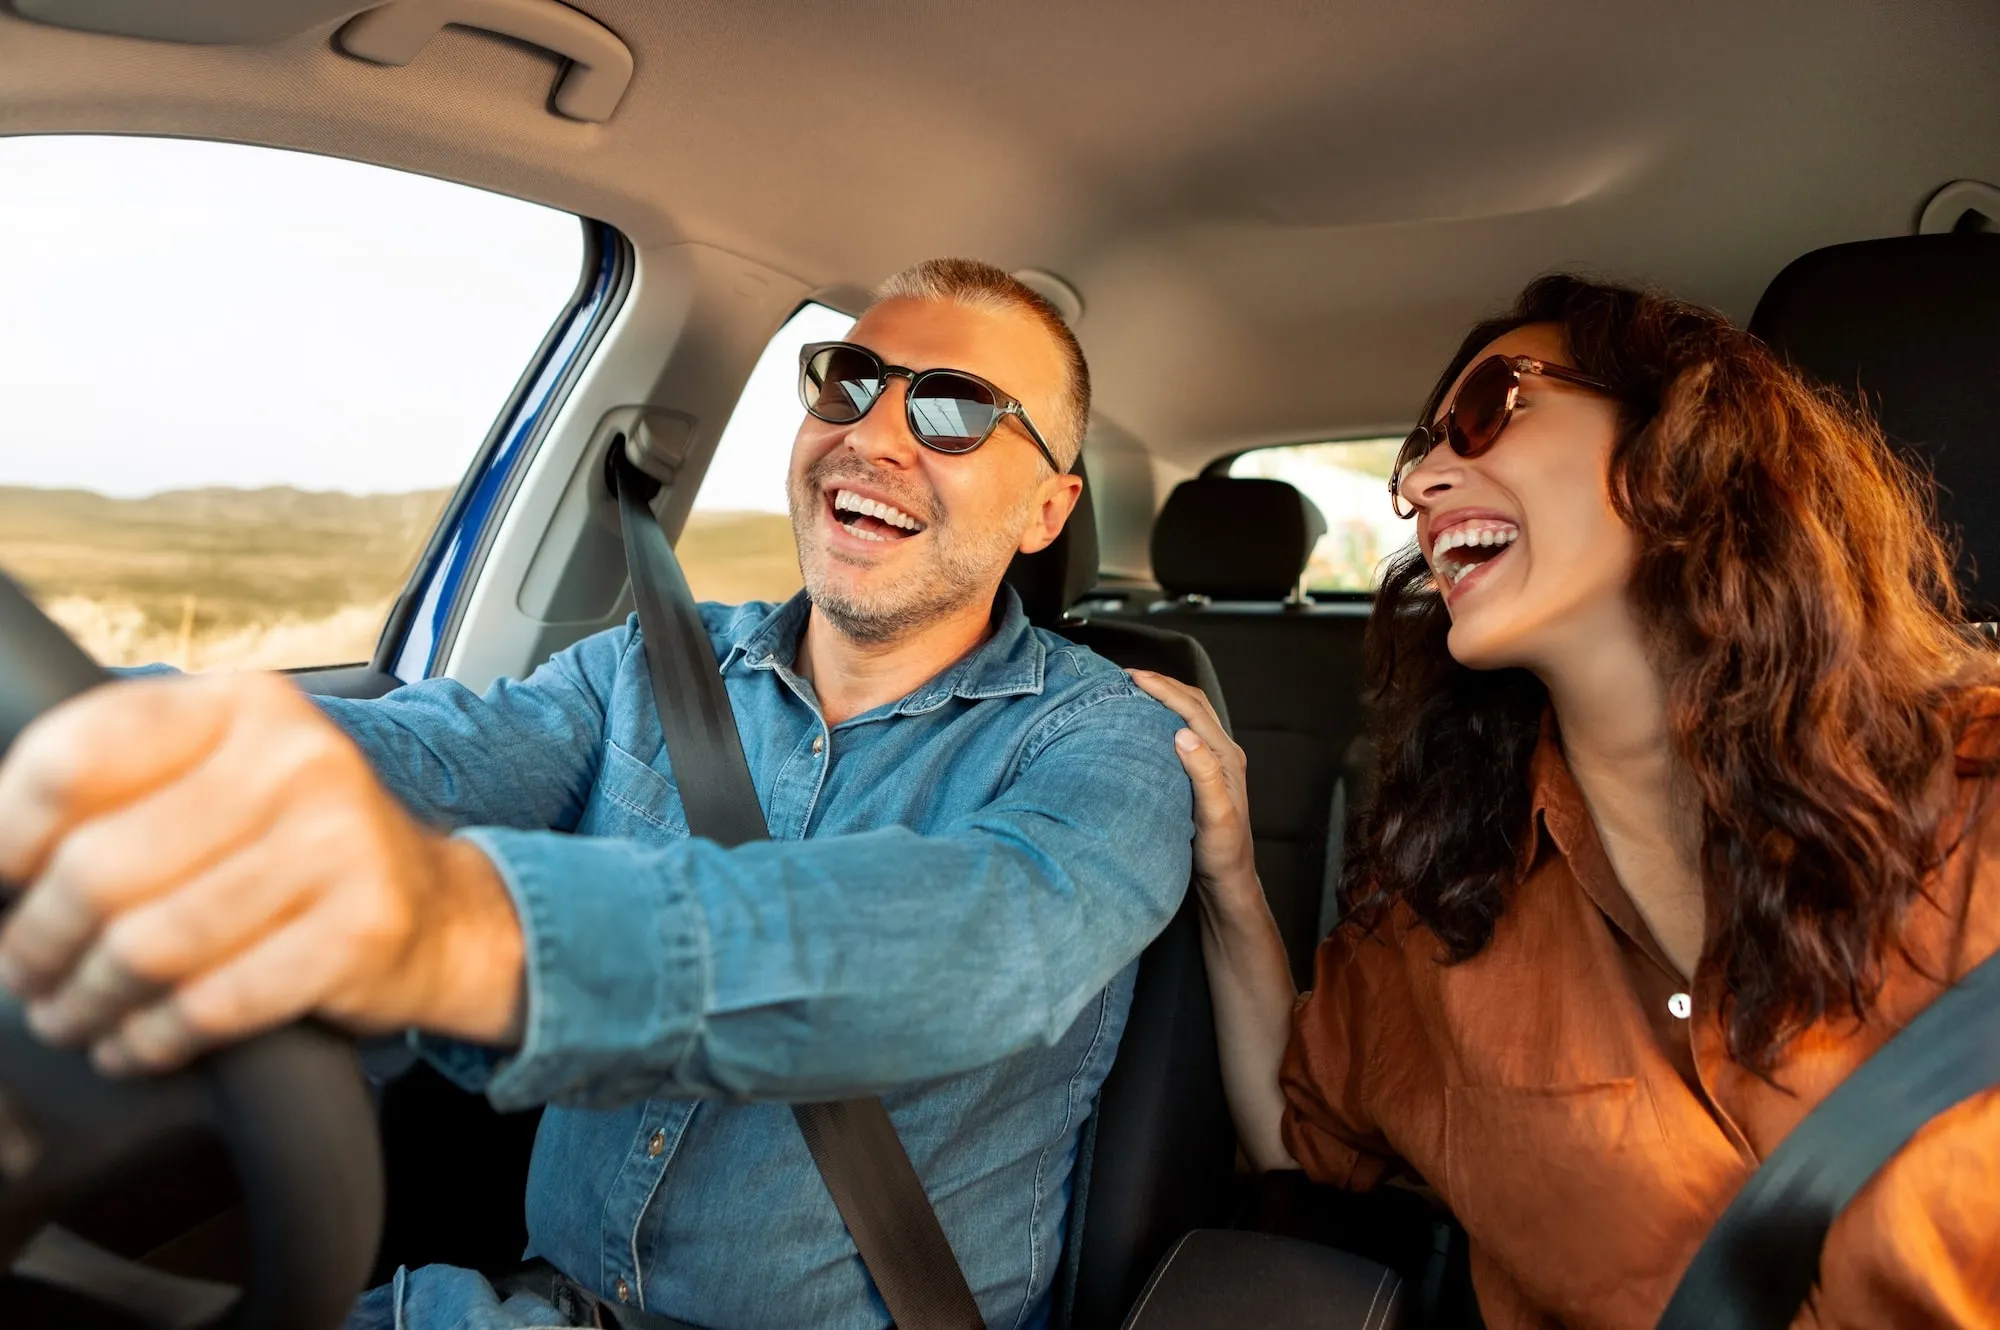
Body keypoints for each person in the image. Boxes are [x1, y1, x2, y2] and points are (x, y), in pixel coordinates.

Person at [0, 258, 1196, 1329]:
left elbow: (983, 944)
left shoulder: (1111, 743)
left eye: (953, 410)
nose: (873, 435)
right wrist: (105, 738)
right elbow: (419, 749)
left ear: (1048, 507)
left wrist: (451, 926)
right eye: (848, 381)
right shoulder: (646, 666)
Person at [1134, 274, 2000, 1328]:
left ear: (1680, 441)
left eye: (1483, 409)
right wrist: (1227, 877)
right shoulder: (1447, 911)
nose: (1414, 481)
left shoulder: (1974, 800)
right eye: (1414, 455)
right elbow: (1292, 1128)